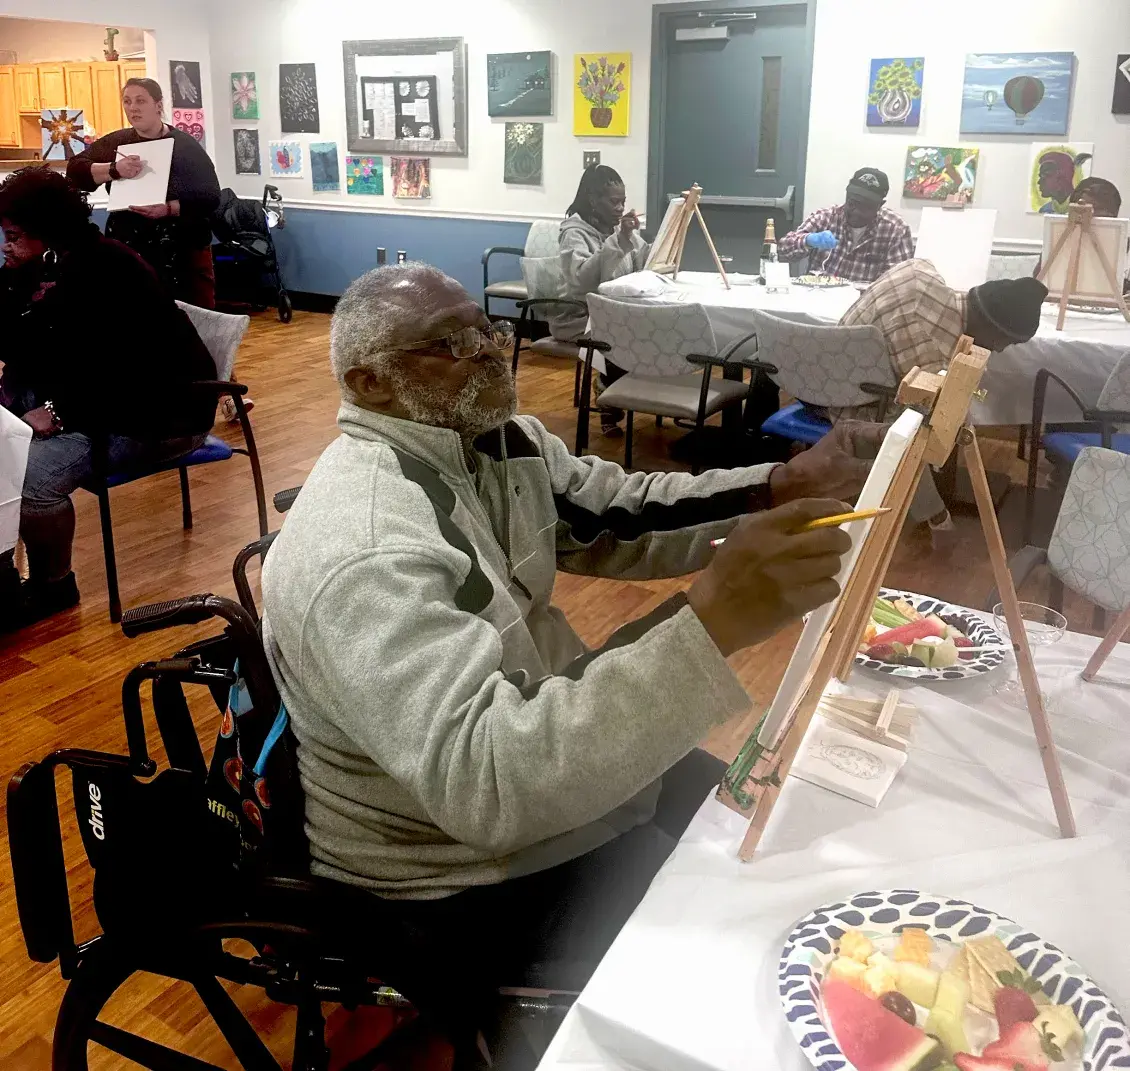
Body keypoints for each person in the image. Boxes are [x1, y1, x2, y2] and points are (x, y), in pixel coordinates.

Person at [260, 263, 881, 1055]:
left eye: (486, 330)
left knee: (752, 820)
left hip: (530, 759)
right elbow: (488, 785)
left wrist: (780, 483)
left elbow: (616, 511)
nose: (490, 351)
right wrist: (712, 622)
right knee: (731, 920)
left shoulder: (497, 443)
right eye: (449, 344)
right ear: (369, 383)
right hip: (439, 868)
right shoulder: (368, 544)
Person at [0, 167, 217, 627]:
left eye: (14, 237)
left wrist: (57, 411)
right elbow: (24, 341)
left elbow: (120, 370)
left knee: (32, 478)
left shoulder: (108, 269)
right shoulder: (41, 267)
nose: (5, 246)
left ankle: (54, 586)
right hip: (98, 397)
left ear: (46, 232)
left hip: (157, 412)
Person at [838, 259, 1048, 543]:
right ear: (990, 325)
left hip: (823, 376)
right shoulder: (929, 349)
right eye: (1004, 341)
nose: (999, 349)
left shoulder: (921, 271)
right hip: (848, 403)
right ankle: (936, 522)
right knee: (913, 431)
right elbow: (913, 426)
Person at [67, 77, 221, 308]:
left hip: (182, 250)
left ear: (158, 105)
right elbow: (75, 170)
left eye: (140, 101)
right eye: (127, 101)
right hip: (130, 246)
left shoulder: (185, 146)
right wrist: (114, 169)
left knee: (191, 316)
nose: (133, 108)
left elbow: (210, 196)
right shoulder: (117, 142)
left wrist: (168, 209)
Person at [551, 165, 650, 435]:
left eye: (623, 202)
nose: (620, 208)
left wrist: (639, 242)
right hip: (576, 315)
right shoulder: (574, 233)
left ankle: (630, 391)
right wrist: (617, 242)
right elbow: (581, 280)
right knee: (622, 331)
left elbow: (640, 263)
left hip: (608, 311)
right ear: (593, 200)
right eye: (614, 202)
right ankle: (609, 397)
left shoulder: (615, 229)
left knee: (641, 326)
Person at [777, 168, 913, 285]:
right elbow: (782, 251)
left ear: (880, 205)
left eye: (866, 207)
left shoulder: (896, 230)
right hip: (819, 297)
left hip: (864, 302)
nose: (856, 212)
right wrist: (808, 240)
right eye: (852, 203)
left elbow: (898, 282)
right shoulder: (826, 217)